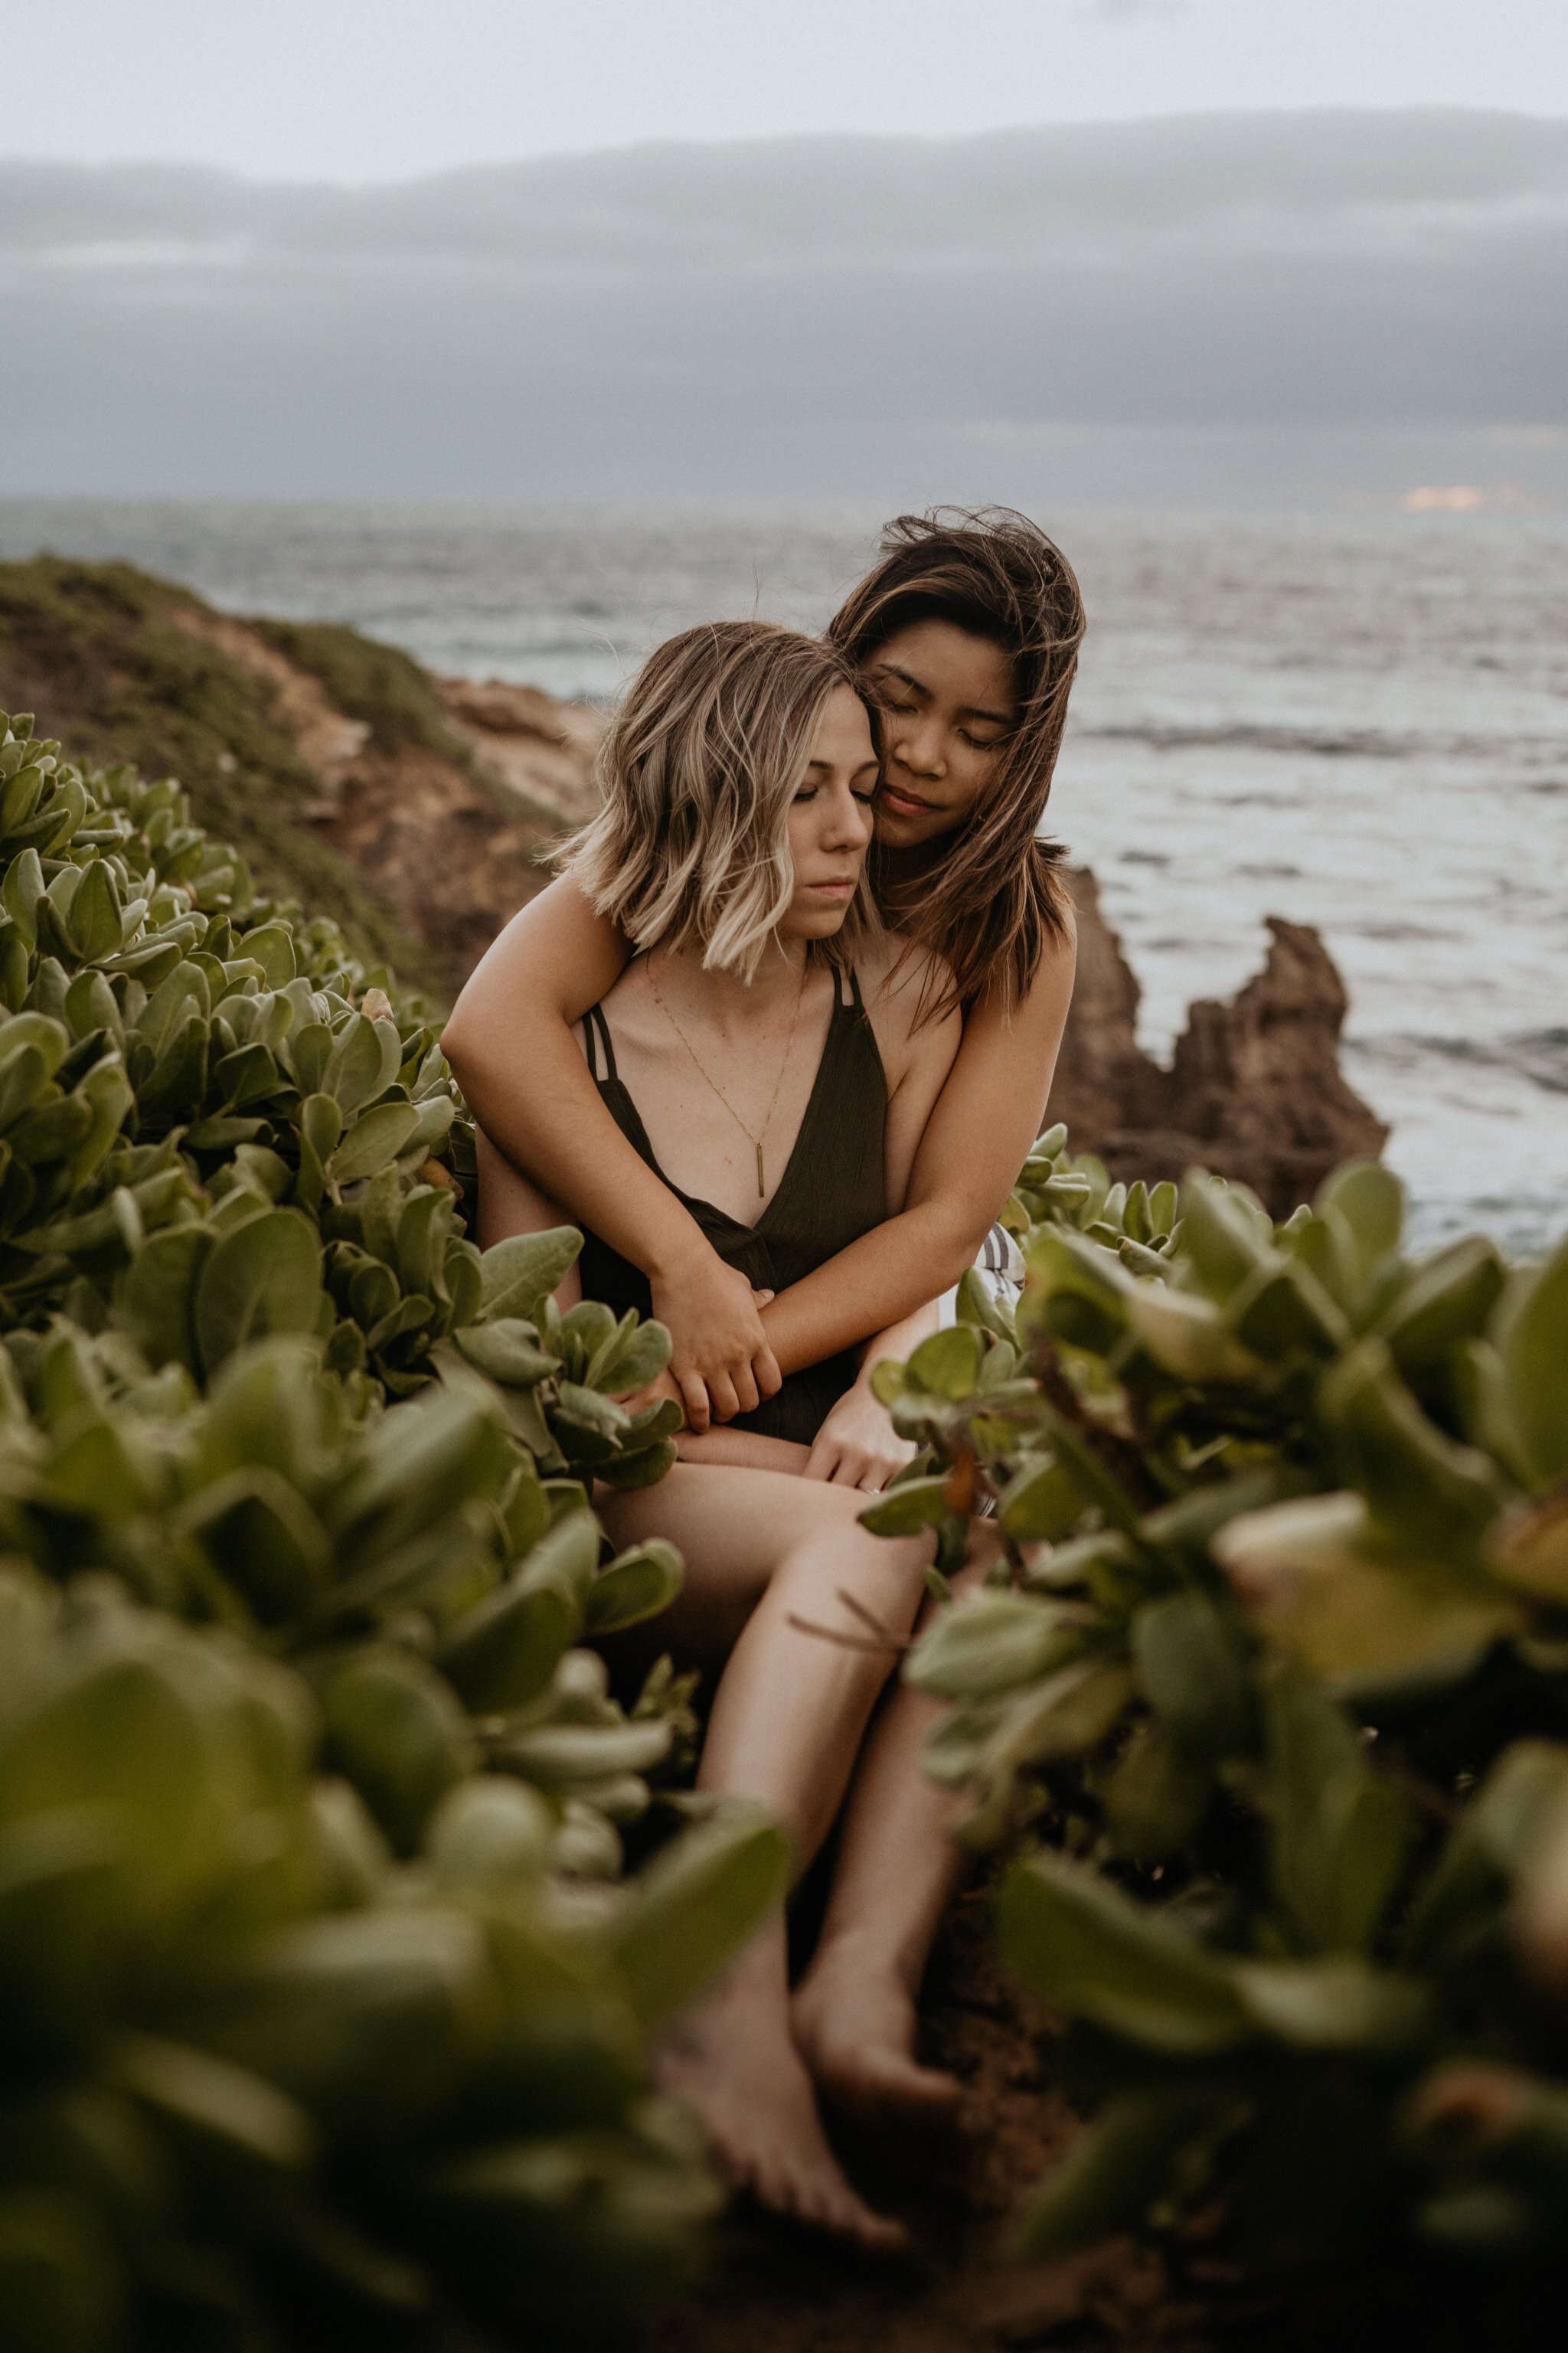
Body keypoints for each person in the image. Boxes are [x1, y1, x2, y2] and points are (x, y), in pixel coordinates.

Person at [443, 511, 1087, 2230]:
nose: (926, 770)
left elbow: (951, 1222)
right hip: (669, 1456)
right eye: (897, 717)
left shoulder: (1006, 928)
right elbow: (493, 1038)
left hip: (789, 1422)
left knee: (980, 1545)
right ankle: (723, 1999)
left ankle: (855, 1984)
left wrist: (843, 1368)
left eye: (982, 732)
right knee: (897, 1539)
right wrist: (678, 1270)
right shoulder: (664, 887)